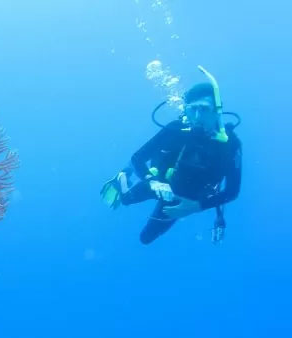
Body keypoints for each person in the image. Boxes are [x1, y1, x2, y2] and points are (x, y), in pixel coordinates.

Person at [101, 66, 242, 245]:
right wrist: (153, 181)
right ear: (186, 110)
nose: (197, 116)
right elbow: (137, 157)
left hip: (186, 199)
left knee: (146, 238)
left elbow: (232, 191)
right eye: (192, 110)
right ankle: (122, 178)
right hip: (161, 183)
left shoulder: (230, 144)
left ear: (217, 110)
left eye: (205, 109)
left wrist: (194, 207)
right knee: (126, 199)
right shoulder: (176, 129)